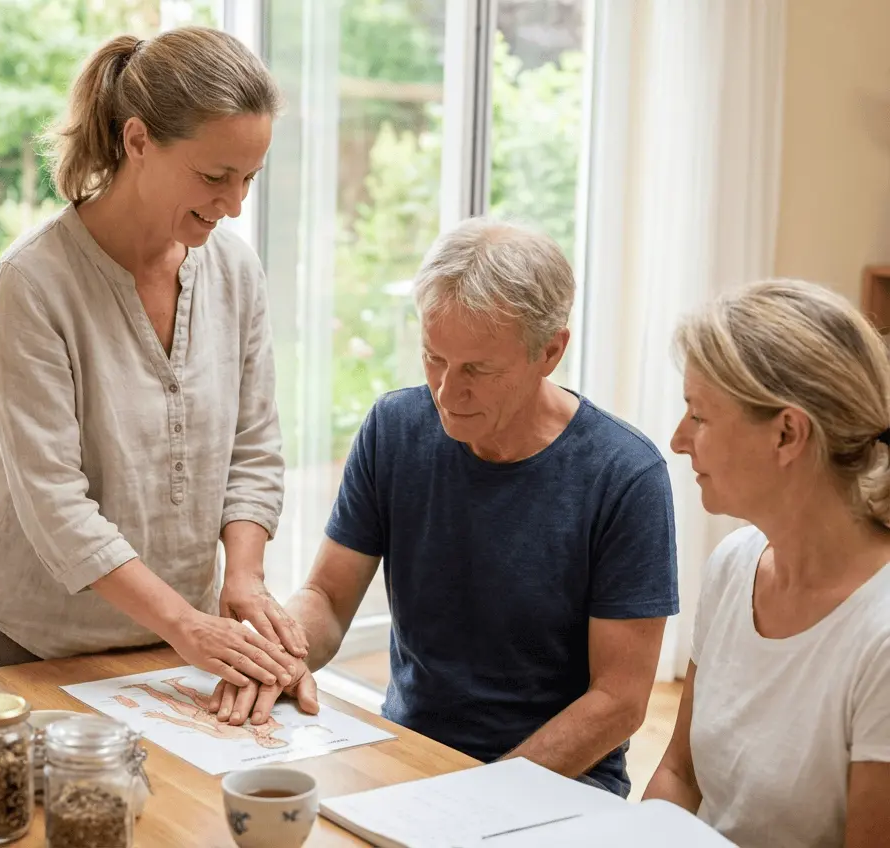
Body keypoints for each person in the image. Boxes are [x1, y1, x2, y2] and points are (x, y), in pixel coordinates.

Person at [210, 218, 679, 797]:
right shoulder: (395, 428)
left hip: (559, 782)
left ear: (551, 350)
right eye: (434, 358)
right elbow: (328, 598)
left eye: (478, 371)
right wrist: (277, 660)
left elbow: (618, 702)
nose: (446, 393)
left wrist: (481, 795)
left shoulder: (626, 476)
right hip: (408, 756)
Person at [0, 27, 306, 689]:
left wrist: (245, 579)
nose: (234, 205)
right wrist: (186, 624)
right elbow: (55, 503)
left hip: (181, 638)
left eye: (249, 178)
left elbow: (254, 446)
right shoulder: (33, 283)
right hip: (37, 639)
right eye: (214, 176)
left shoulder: (234, 270)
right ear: (137, 140)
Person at [644, 279, 890, 846]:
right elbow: (680, 775)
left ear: (787, 434)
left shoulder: (878, 636)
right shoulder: (735, 564)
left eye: (699, 417)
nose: (679, 440)